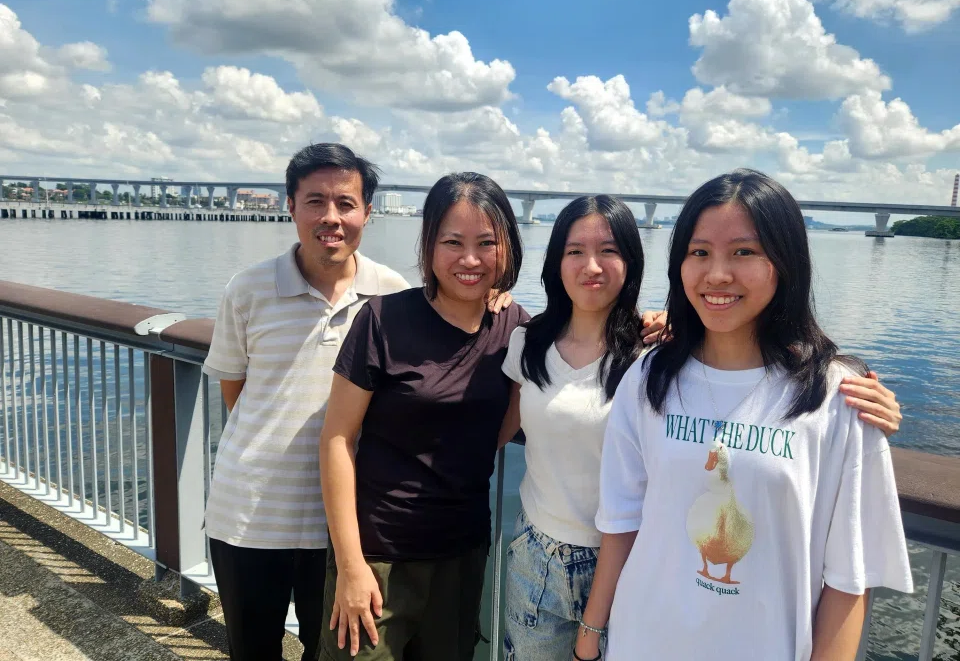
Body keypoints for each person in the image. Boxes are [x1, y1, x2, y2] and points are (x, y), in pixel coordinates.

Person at [495, 194, 906, 661]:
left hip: (625, 576)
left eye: (744, 251)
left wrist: (853, 405)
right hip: (549, 556)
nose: (717, 273)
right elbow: (508, 426)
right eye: (700, 252)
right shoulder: (612, 365)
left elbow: (850, 576)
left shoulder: (648, 358)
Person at [201, 145, 513, 660]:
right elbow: (234, 389)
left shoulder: (389, 293)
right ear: (290, 206)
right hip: (254, 514)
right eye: (315, 201)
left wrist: (491, 296)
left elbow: (443, 332)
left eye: (345, 203)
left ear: (367, 211)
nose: (331, 218)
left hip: (351, 526)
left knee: (324, 650)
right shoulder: (248, 289)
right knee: (251, 649)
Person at [319, 172, 529, 661]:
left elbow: (581, 345)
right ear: (429, 245)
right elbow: (336, 439)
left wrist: (655, 324)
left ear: (507, 249)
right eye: (452, 242)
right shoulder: (383, 320)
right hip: (378, 556)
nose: (470, 259)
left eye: (486, 243)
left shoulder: (515, 327)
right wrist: (350, 564)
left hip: (461, 553)